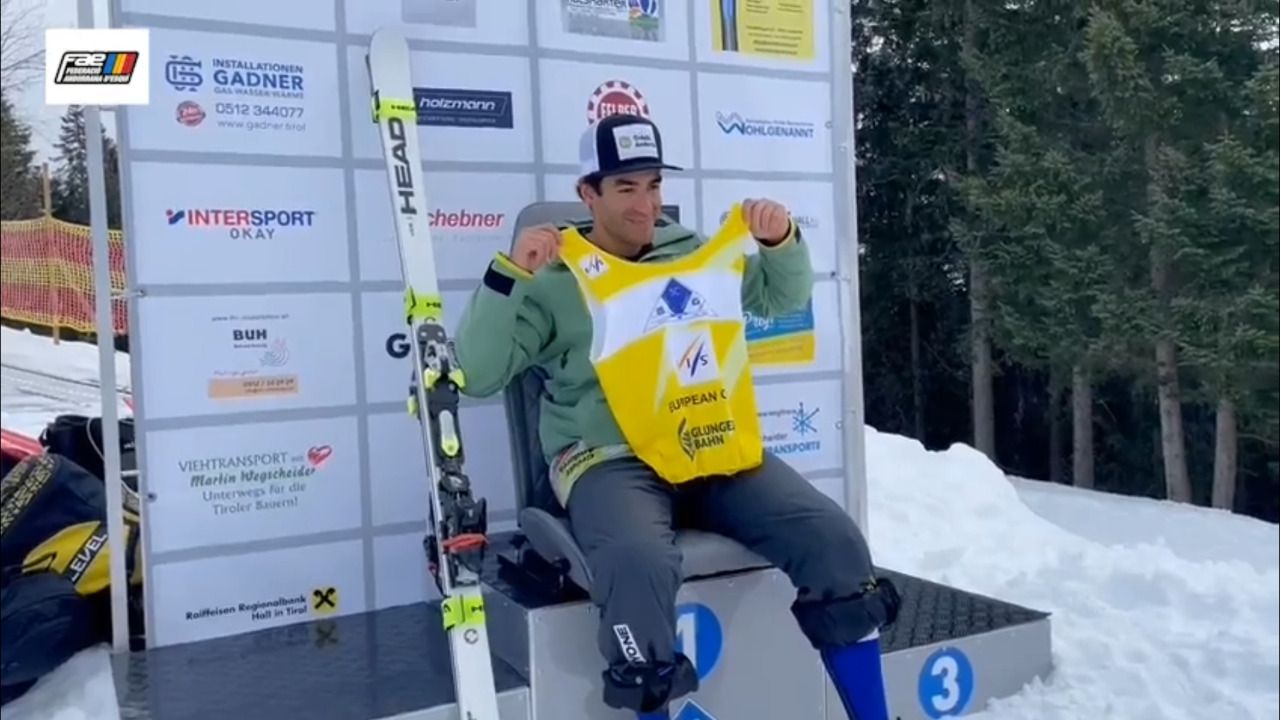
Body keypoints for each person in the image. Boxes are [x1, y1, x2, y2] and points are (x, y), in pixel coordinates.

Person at [453, 113, 900, 719]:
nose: (646, 204)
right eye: (626, 188)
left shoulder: (689, 252)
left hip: (707, 443)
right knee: (637, 561)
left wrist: (779, 243)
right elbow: (478, 374)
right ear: (589, 193)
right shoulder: (552, 276)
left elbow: (780, 298)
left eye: (654, 185)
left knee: (833, 538)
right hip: (609, 459)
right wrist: (509, 274)